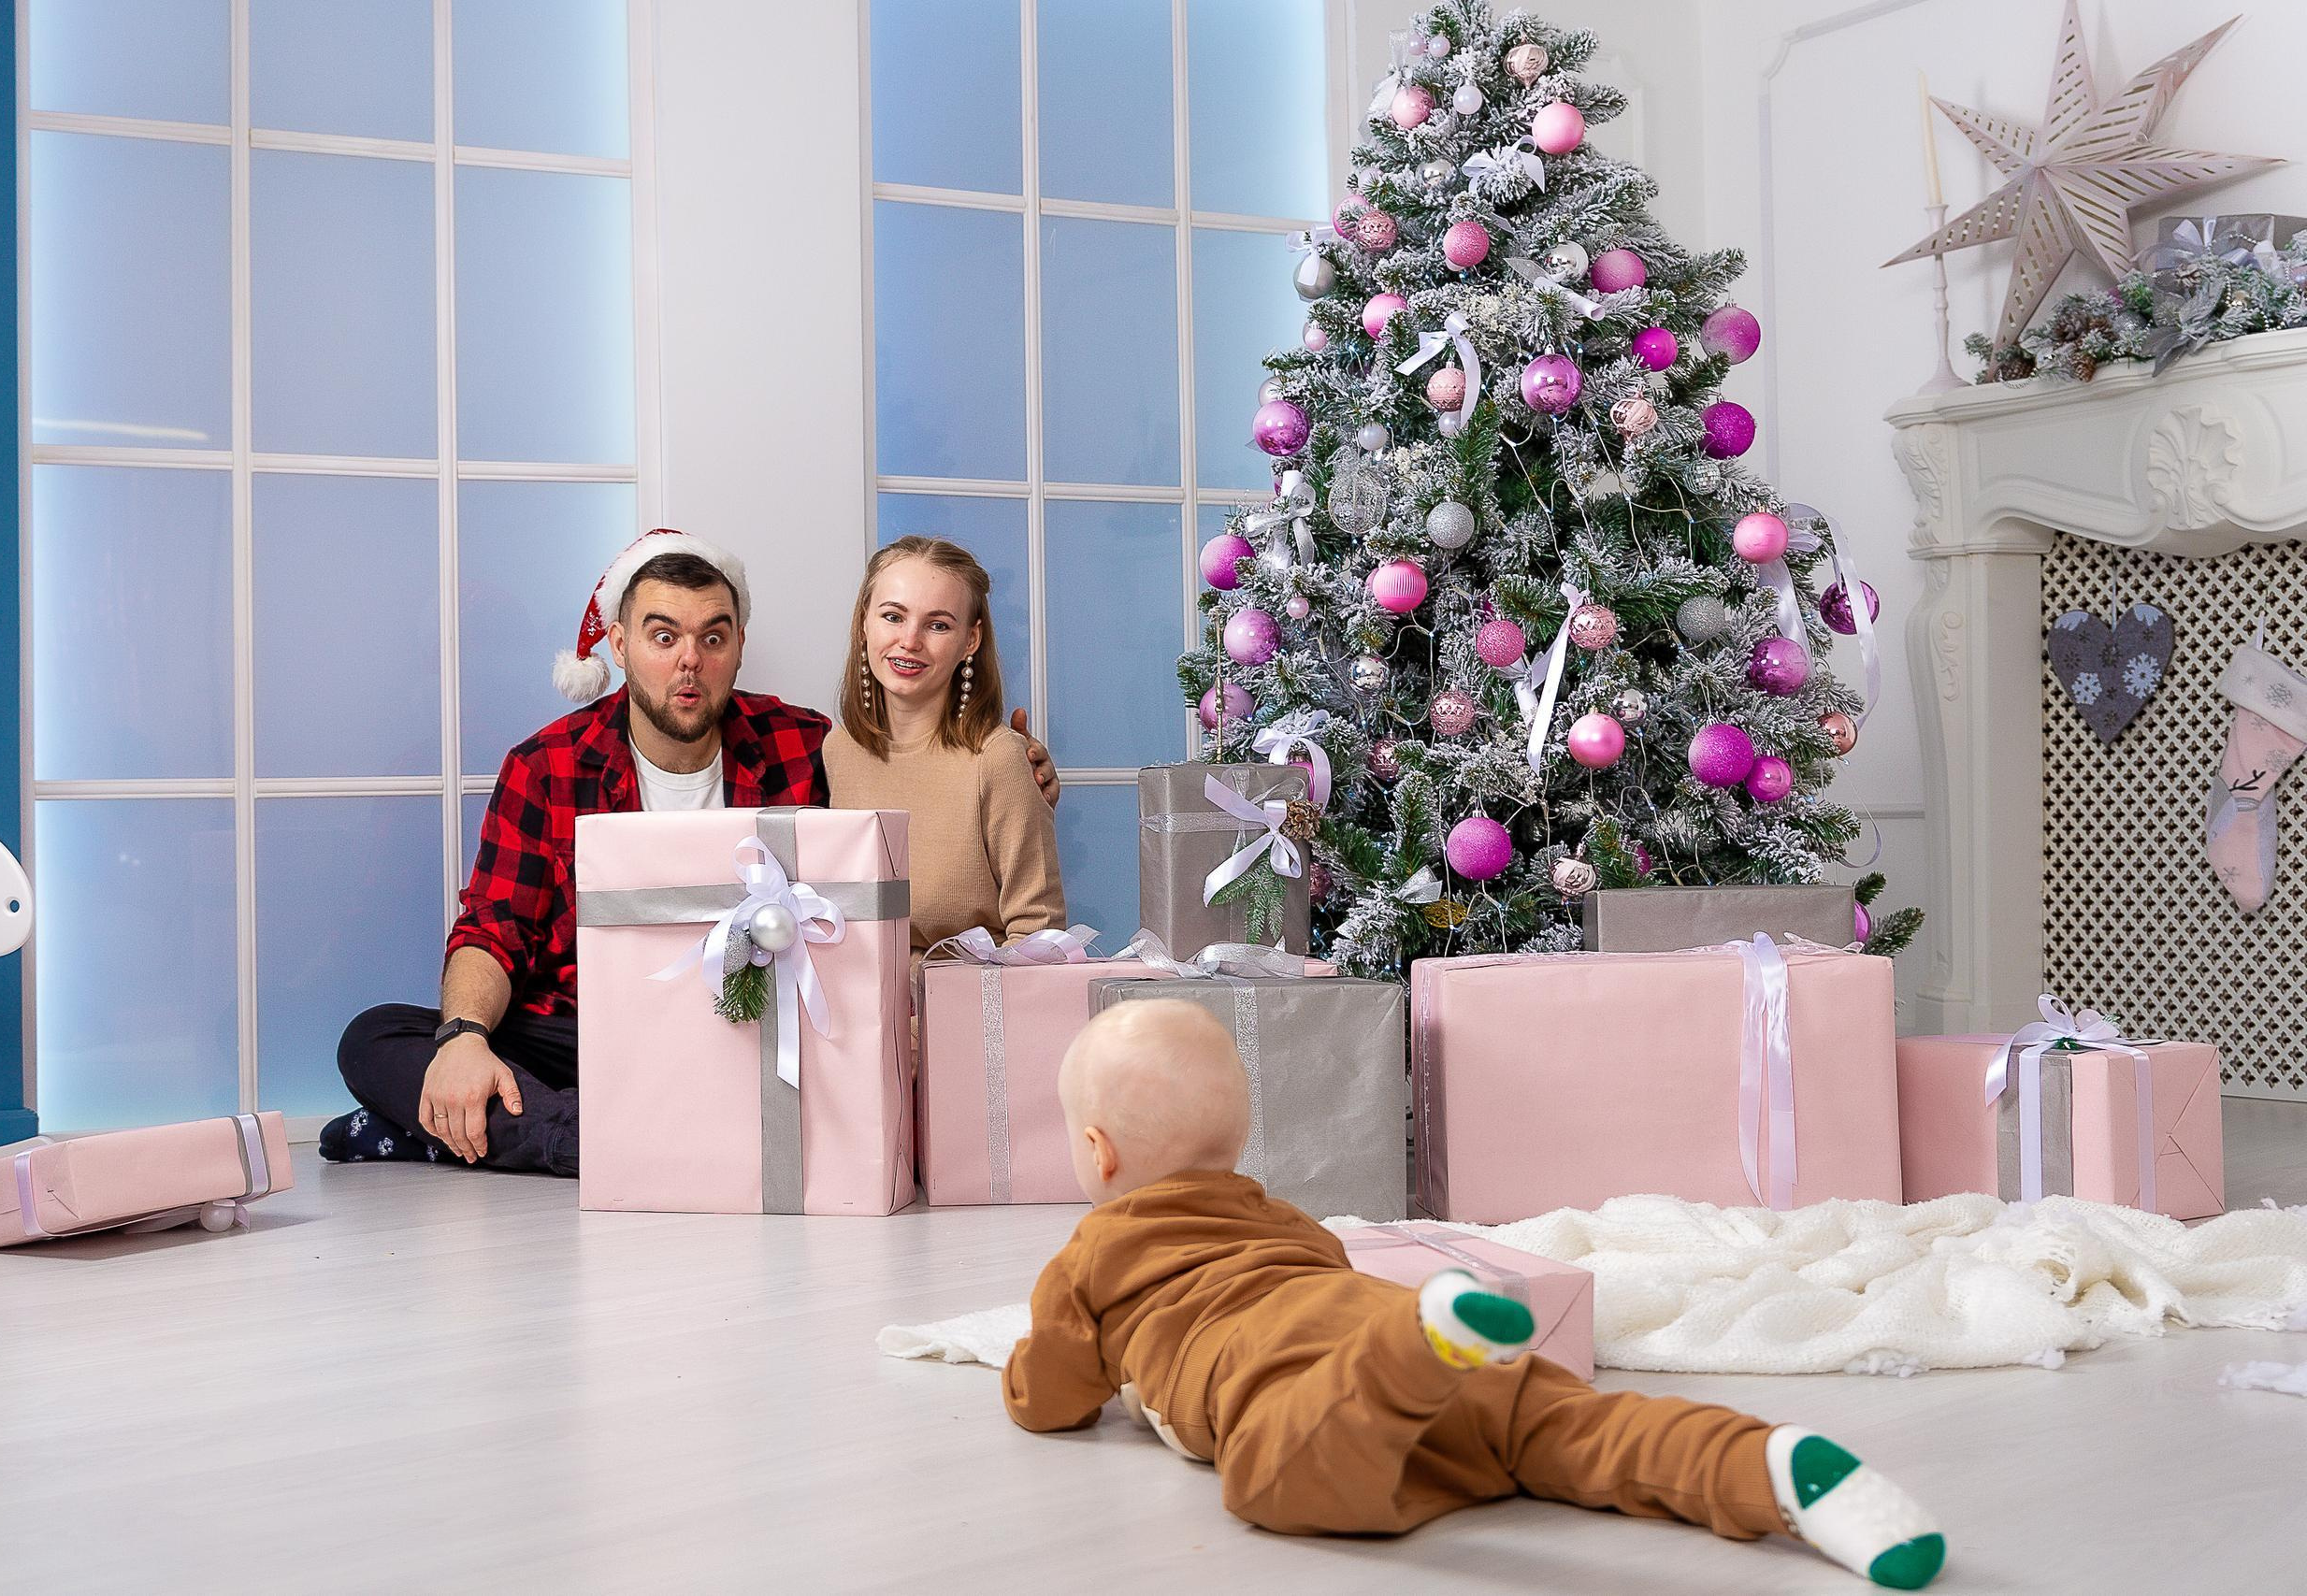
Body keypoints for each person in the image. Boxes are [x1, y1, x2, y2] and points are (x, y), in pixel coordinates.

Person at [1002, 1001, 1949, 1590]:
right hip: (1392, 1334)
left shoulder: (1095, 1253)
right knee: (1589, 1434)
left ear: (1098, 1153)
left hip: (1320, 1381)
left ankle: (1412, 1355)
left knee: (1275, 1474)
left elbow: (1049, 1398)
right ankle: (1766, 1466)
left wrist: (1037, 1371)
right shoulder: (1292, 1226)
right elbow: (1321, 1290)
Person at [319, 528, 1061, 1175]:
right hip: (586, 1032)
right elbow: (493, 927)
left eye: (712, 637)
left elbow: (918, 778)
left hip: (740, 1031)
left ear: (739, 645)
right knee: (377, 1035)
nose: (689, 662)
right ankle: (601, 1139)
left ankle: (504, 1134)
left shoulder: (807, 748)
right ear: (618, 644)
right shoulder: (547, 765)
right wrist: (462, 1038)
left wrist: (1017, 771)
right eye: (662, 635)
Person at [824, 537, 1065, 960]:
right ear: (865, 622)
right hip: (856, 1012)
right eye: (893, 617)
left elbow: (1037, 932)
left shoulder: (1000, 759)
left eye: (938, 625)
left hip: (968, 1012)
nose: (910, 641)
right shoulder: (838, 750)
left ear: (970, 640)